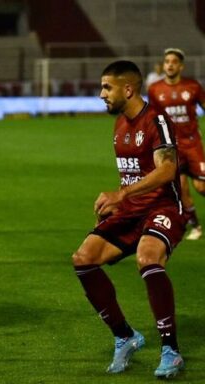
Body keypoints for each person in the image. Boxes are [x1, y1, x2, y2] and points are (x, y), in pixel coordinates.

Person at [72, 60, 185, 379]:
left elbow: (167, 169)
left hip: (163, 208)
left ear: (128, 89)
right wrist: (118, 202)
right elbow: (131, 175)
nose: (101, 94)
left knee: (147, 257)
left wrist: (122, 195)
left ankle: (171, 351)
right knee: (83, 258)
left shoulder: (156, 120)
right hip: (131, 212)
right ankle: (125, 336)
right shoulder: (120, 124)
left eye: (107, 87)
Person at [148, 48, 205, 240]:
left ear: (181, 66)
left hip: (193, 144)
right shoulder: (155, 89)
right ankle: (196, 226)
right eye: (167, 61)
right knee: (181, 188)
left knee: (201, 187)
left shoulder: (193, 87)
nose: (169, 64)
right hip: (172, 147)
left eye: (173, 61)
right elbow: (153, 118)